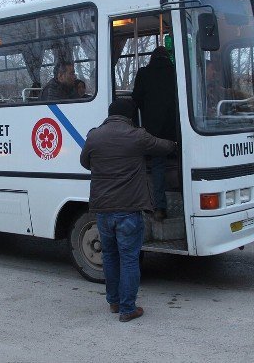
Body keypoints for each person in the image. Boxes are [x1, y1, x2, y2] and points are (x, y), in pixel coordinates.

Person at [80, 99, 175, 322]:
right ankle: (128, 308)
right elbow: (164, 146)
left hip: (103, 210)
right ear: (129, 116)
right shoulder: (137, 136)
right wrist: (176, 143)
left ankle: (114, 302)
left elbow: (85, 162)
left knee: (110, 257)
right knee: (129, 258)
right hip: (129, 209)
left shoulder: (94, 136)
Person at [131, 46, 177, 221]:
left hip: (153, 130)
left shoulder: (144, 73)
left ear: (152, 58)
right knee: (180, 164)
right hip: (177, 129)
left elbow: (136, 98)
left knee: (158, 166)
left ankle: (159, 207)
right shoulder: (175, 72)